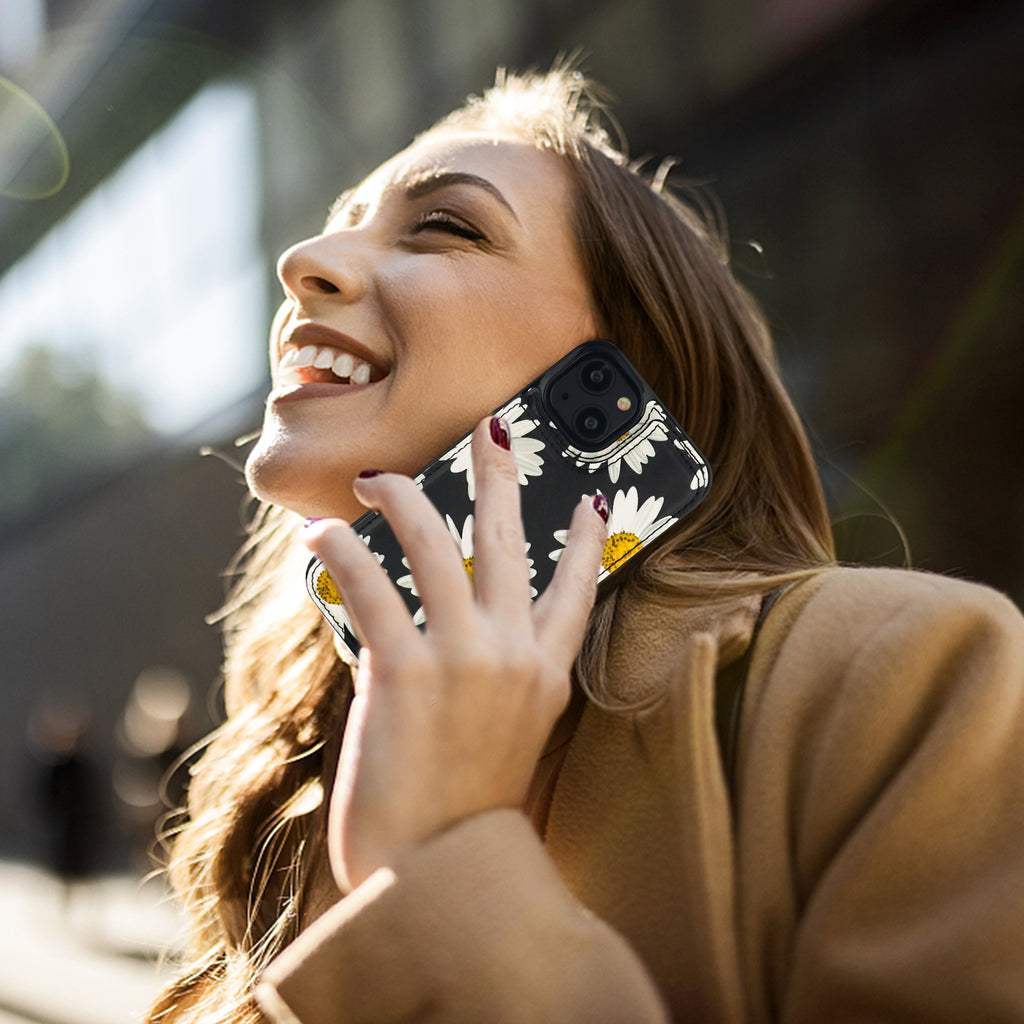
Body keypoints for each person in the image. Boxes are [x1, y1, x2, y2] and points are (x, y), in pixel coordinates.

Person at [147, 67, 1024, 1024]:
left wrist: (450, 859)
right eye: (340, 221)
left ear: (629, 372)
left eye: (446, 226)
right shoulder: (295, 744)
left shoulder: (905, 678)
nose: (305, 260)